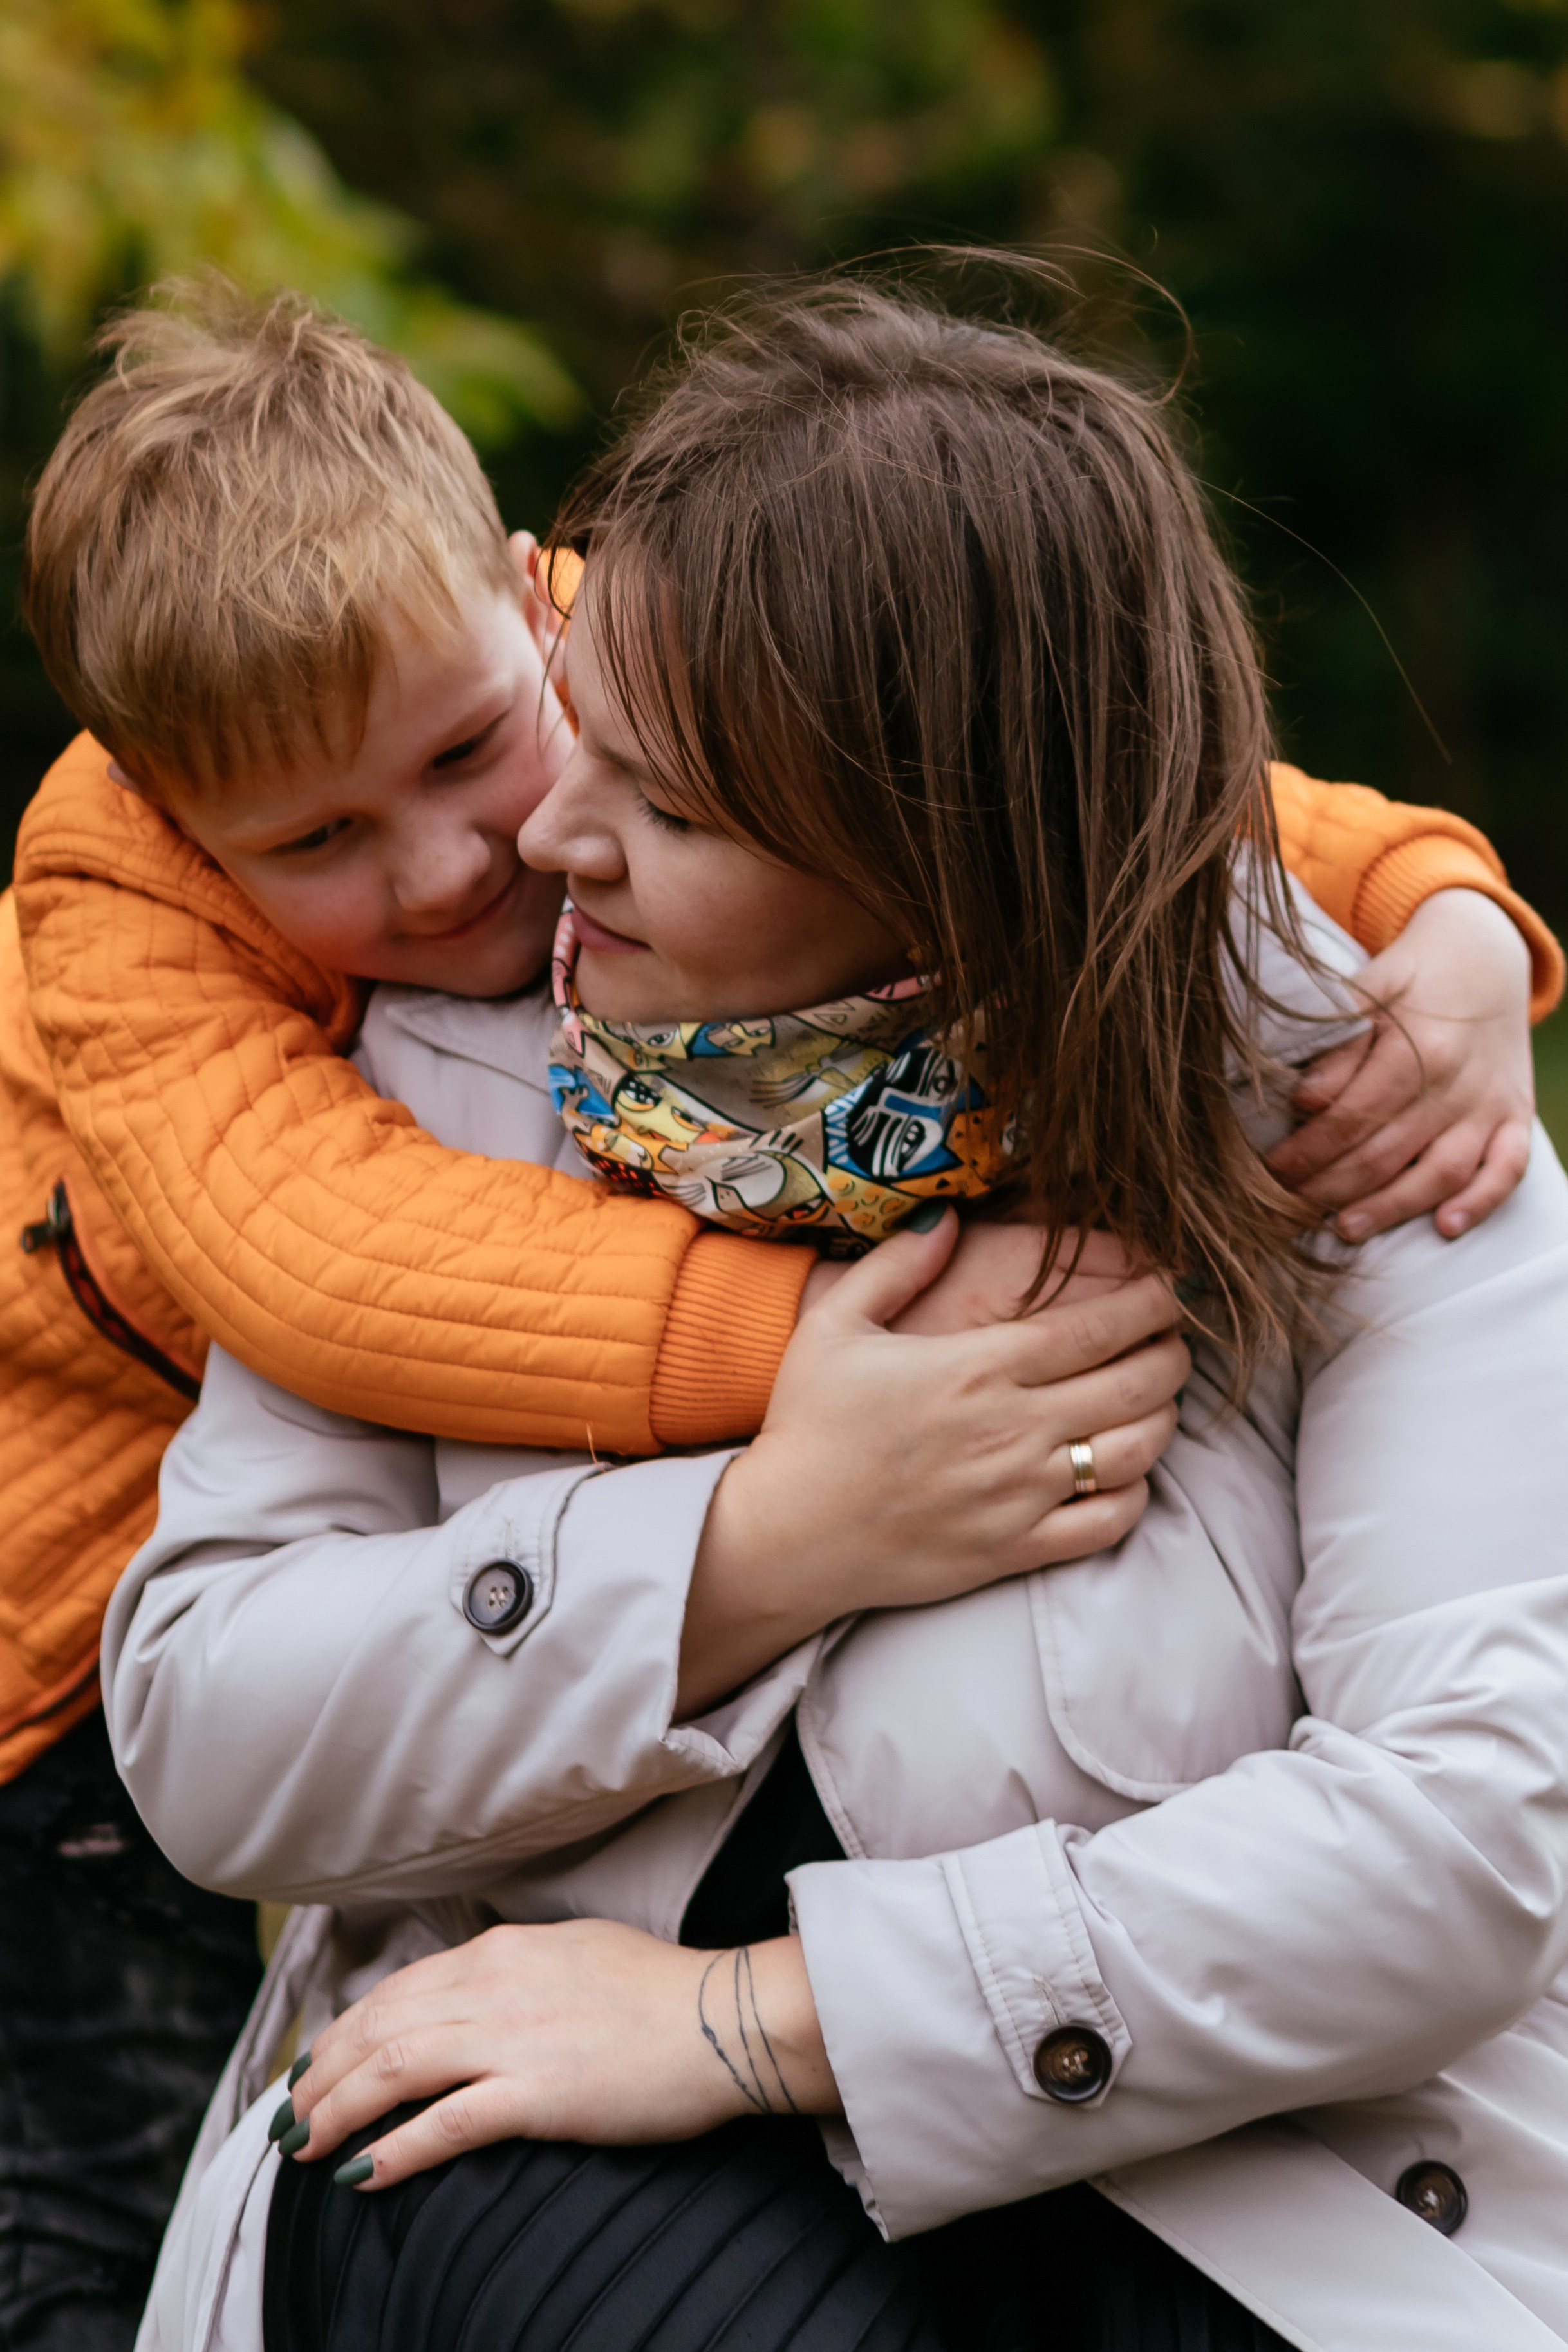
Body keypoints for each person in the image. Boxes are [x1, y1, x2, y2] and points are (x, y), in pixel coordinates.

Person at [106, 273, 1568, 2350]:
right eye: (578, 726)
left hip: (1220, 2228)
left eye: (671, 810)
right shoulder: (435, 1070)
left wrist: (744, 2023)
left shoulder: (1354, 1120)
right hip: (511, 2221)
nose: (539, 838)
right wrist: (758, 1545)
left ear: (949, 862)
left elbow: (1455, 1855)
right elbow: (210, 1727)